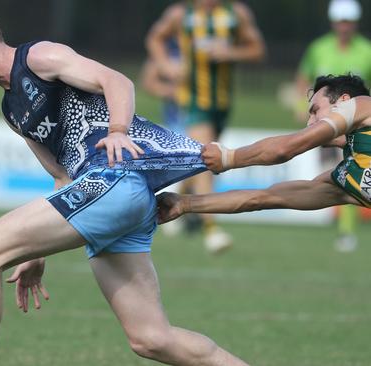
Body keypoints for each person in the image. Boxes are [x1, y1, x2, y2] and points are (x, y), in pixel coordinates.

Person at [0, 1, 249, 365]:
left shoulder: (38, 57)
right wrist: (37, 251)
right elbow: (62, 178)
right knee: (151, 339)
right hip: (106, 197)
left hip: (113, 181)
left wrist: (117, 131)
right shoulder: (11, 110)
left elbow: (116, 81)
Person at [156, 74, 371, 229]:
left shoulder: (362, 105)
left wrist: (229, 158)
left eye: (315, 111)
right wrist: (185, 203)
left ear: (344, 101)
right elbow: (260, 198)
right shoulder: (346, 180)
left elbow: (285, 149)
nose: (309, 122)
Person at [147, 0, 265, 253]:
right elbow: (155, 38)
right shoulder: (181, 14)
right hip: (193, 101)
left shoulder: (236, 13)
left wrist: (230, 52)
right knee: (206, 153)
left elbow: (257, 49)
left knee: (203, 163)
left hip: (222, 103)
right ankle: (211, 228)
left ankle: (167, 203)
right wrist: (166, 65)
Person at [294, 0, 371, 252]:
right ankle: (342, 225)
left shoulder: (366, 50)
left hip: (357, 127)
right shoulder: (319, 48)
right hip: (324, 126)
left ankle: (346, 231)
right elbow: (303, 77)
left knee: (350, 171)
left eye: (348, 21)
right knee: (333, 172)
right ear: (333, 22)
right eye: (340, 21)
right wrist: (301, 106)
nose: (344, 26)